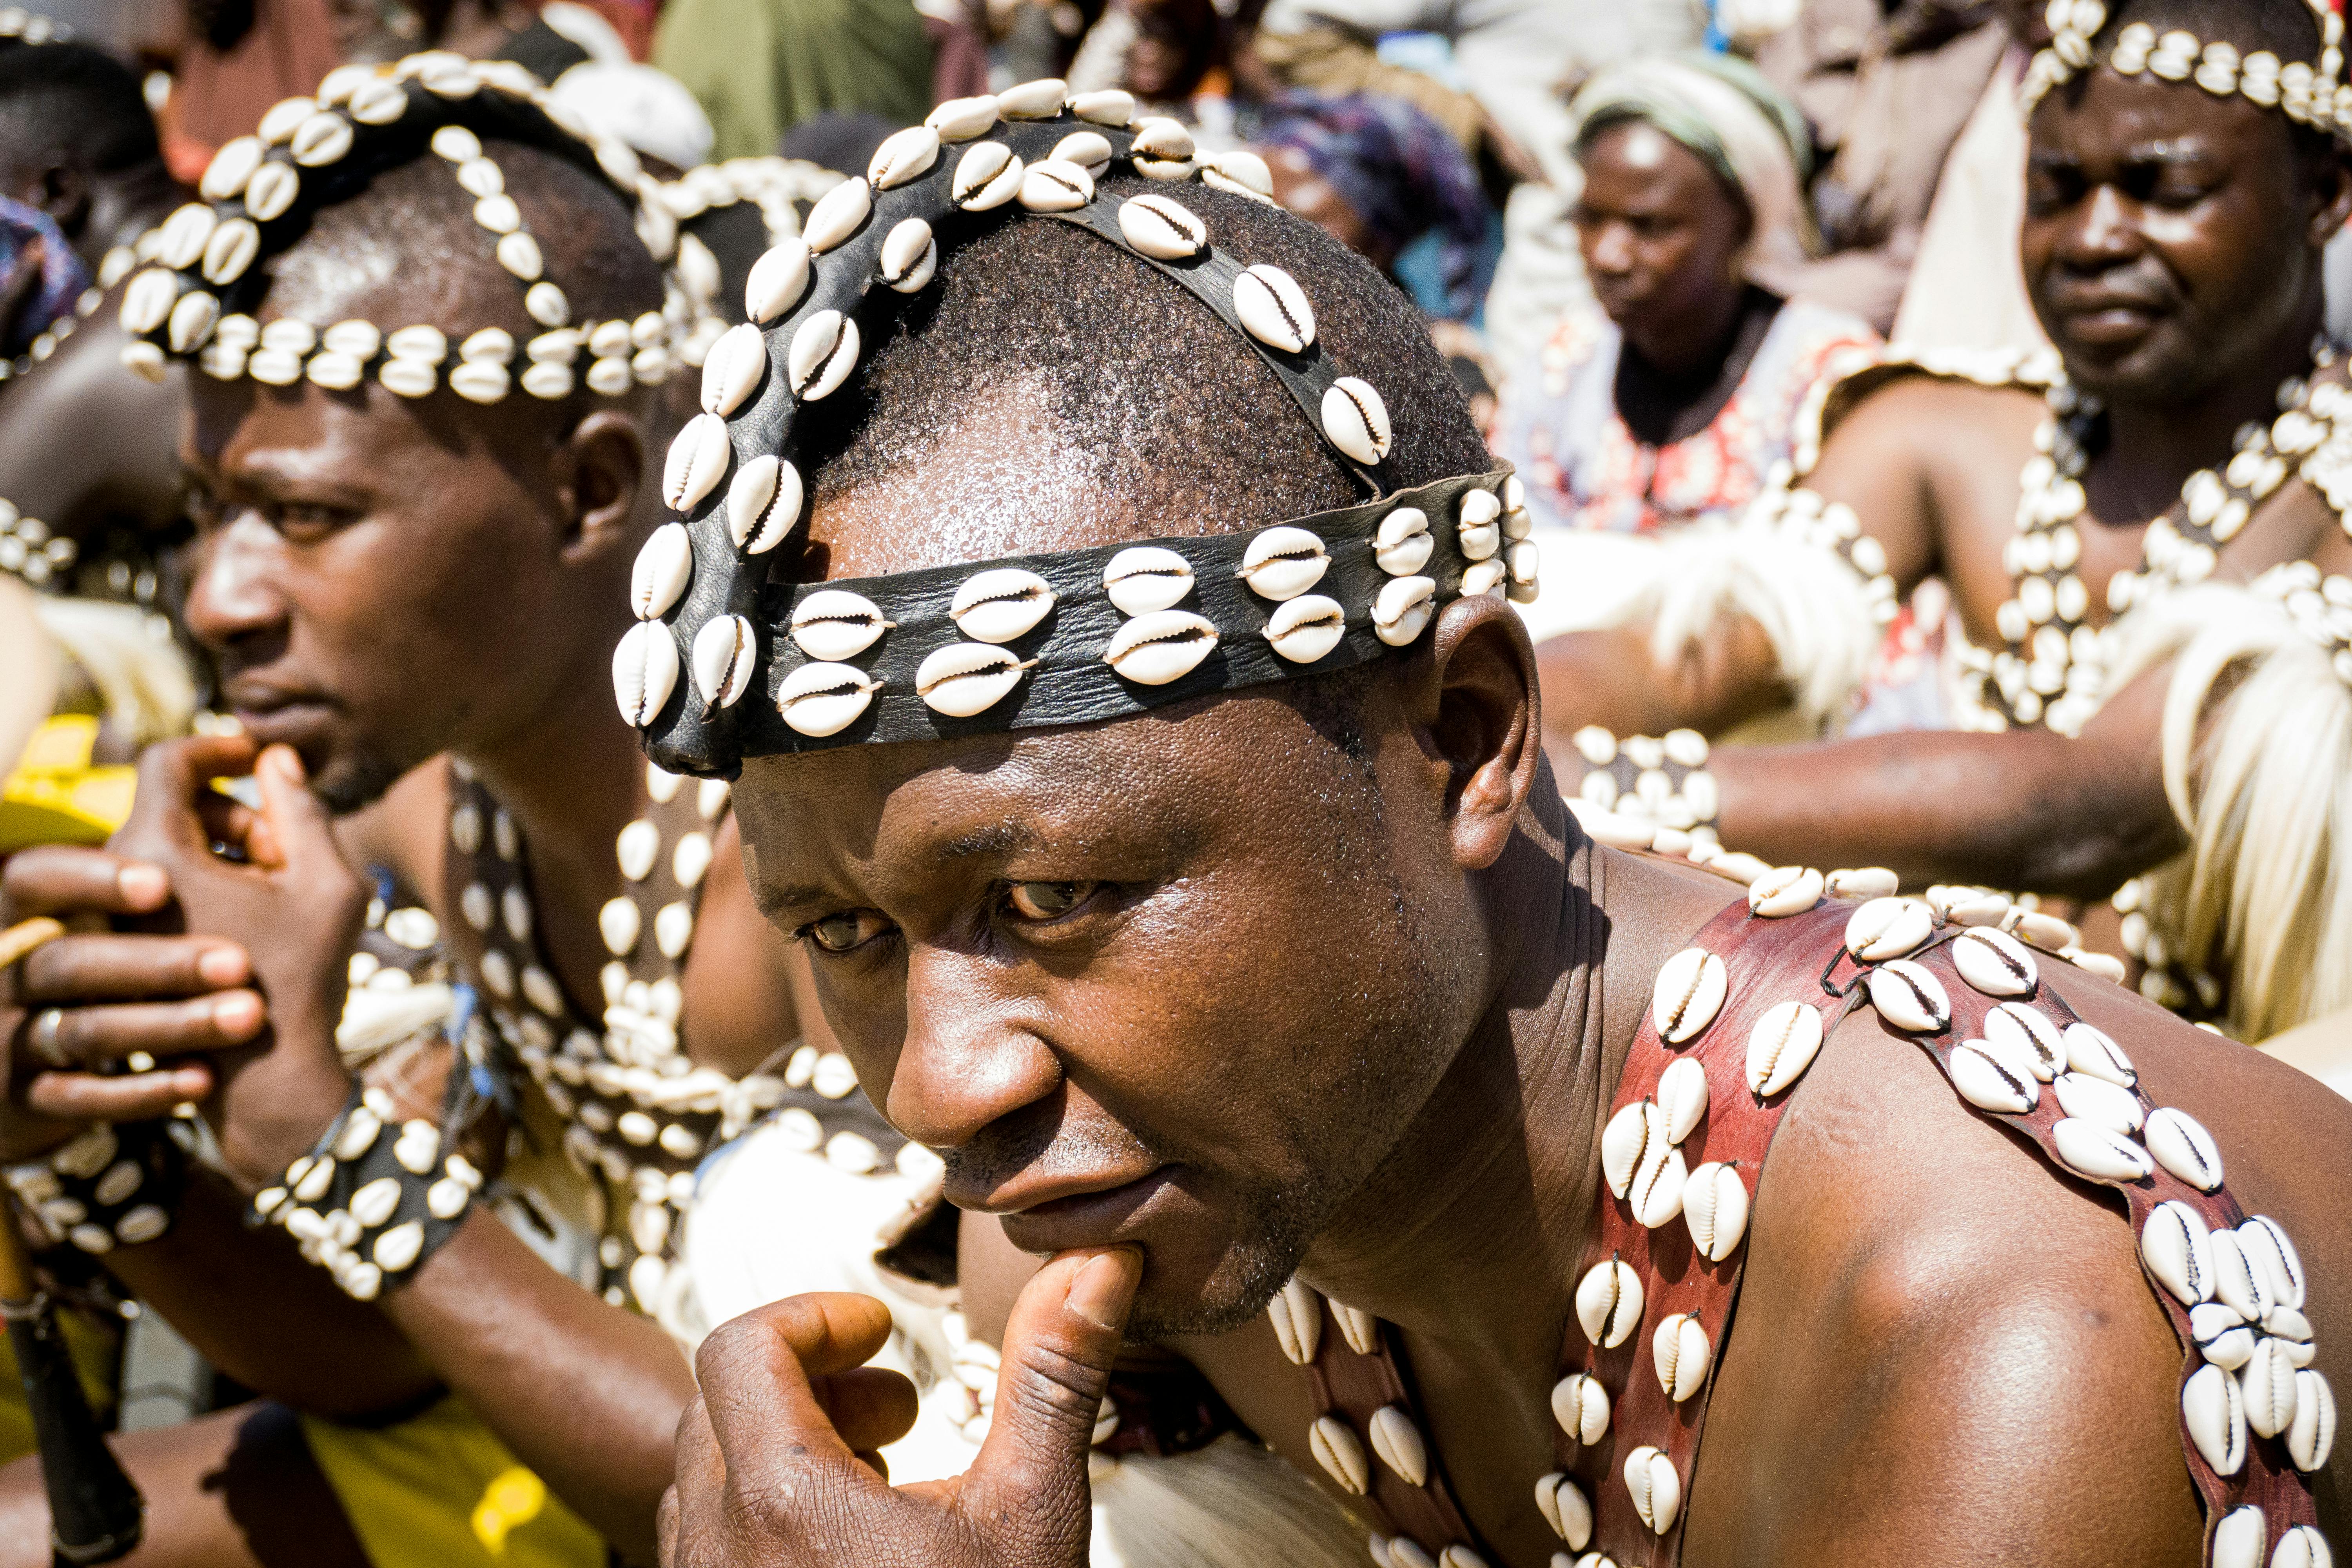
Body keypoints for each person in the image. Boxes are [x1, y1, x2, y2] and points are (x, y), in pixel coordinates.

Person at [583, 80, 2341, 1568]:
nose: (935, 1085)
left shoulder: (1998, 1336)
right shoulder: (1175, 1216)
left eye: (1053, 890)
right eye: (846, 933)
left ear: (1467, 739)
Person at [3, 65, 1369, 1568]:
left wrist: (319, 1137)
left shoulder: (843, 875)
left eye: (307, 515)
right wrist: (92, 1142)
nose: (221, 596)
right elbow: (391, 1364)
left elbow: (810, 1507)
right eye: (207, 508)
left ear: (590, 484)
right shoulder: (413, 824)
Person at [1530, 0, 2352, 1042]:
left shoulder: (2337, 476)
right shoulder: (1948, 436)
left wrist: (1598, 779)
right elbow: (1689, 648)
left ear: (2323, 194)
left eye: (2166, 191)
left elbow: (2103, 805)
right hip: (2009, 1071)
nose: (2095, 237)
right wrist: (1501, 724)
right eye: (2055, 191)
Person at [1492, 54, 1878, 550]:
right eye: (1589, 220)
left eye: (1650, 227)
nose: (1609, 255)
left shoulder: (1829, 378)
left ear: (1740, 224)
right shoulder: (1565, 362)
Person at [1749, 0, 2012, 335]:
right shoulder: (1822, 20)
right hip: (1787, 286)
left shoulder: (1999, 40)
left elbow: (1976, 247)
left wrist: (1788, 298)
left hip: (1923, 308)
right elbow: (1752, 183)